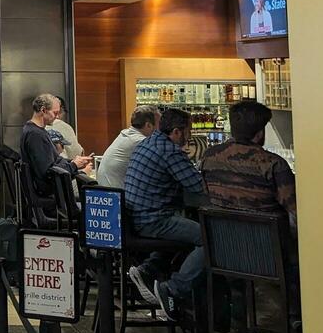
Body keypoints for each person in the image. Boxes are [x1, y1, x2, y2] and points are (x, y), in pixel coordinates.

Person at [124, 107, 205, 319]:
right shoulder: (170, 152)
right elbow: (199, 187)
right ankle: (173, 289)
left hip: (135, 218)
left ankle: (148, 269)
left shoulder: (148, 143)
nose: (190, 136)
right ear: (177, 131)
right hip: (153, 220)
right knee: (209, 239)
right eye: (188, 131)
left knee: (184, 227)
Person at [200, 99, 296, 225]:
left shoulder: (209, 157)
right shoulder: (272, 164)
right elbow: (295, 208)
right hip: (268, 238)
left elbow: (206, 193)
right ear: (260, 133)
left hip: (222, 238)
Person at [19, 93, 89, 215]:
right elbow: (48, 173)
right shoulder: (36, 135)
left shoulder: (34, 130)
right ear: (43, 110)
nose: (57, 117)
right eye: (55, 113)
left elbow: (52, 162)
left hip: (49, 194)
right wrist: (73, 166)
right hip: (51, 199)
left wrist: (72, 162)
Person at [97, 105, 159, 191]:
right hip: (118, 197)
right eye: (159, 124)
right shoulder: (140, 141)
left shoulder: (125, 134)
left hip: (106, 195)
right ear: (148, 125)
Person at [48, 95, 86, 166]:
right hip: (63, 169)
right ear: (61, 110)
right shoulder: (63, 126)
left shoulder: (36, 128)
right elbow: (76, 152)